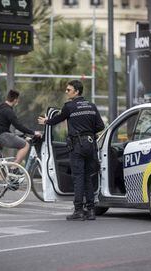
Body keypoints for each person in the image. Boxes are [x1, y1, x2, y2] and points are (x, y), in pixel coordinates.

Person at [38, 80, 105, 221]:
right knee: (88, 177)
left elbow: (57, 119)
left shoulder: (69, 106)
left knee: (78, 178)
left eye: (69, 90)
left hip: (77, 146)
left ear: (77, 91)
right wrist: (88, 131)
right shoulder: (92, 106)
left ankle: (79, 210)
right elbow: (100, 126)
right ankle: (91, 210)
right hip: (90, 145)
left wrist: (46, 121)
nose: (66, 92)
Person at [0, 90, 41, 164]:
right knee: (25, 145)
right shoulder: (8, 111)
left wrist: (23, 136)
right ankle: (14, 168)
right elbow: (18, 126)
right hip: (0, 135)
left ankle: (8, 174)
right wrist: (33, 132)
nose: (18, 101)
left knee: (1, 164)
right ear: (15, 100)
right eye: (18, 99)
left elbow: (2, 128)